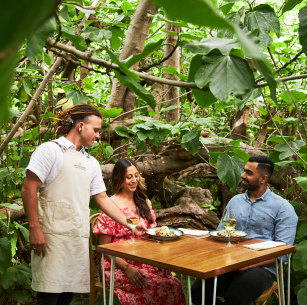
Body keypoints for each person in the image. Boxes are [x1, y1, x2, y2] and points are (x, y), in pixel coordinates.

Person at [21, 105, 146, 305]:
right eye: (95, 130)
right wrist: (35, 228)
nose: (98, 136)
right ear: (80, 126)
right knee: (48, 296)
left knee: (66, 297)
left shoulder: (91, 163)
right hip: (51, 237)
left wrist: (131, 223)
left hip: (77, 238)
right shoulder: (51, 150)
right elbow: (29, 188)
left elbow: (103, 198)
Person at [191, 156, 298, 305]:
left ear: (263, 178)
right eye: (244, 171)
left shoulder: (283, 208)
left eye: (249, 172)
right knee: (198, 290)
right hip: (230, 263)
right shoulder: (236, 201)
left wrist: (249, 264)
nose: (242, 175)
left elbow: (284, 253)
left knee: (236, 297)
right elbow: (221, 233)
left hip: (262, 268)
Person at [93, 158, 186, 305]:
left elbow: (153, 238)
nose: (134, 180)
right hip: (117, 265)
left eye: (136, 175)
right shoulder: (110, 207)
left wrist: (161, 263)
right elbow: (104, 250)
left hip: (145, 261)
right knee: (153, 286)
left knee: (174, 283)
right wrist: (128, 268)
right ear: (119, 178)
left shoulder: (144, 202)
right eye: (129, 177)